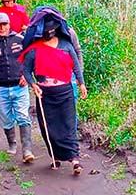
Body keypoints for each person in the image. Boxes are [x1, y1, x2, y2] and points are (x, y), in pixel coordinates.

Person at [20, 17, 88, 175]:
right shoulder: (34, 49)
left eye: (51, 30)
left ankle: (75, 159)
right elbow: (26, 70)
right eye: (46, 31)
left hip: (65, 91)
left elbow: (76, 66)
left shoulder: (66, 45)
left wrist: (82, 83)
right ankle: (55, 156)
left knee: (68, 124)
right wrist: (33, 85)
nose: (49, 33)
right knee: (48, 126)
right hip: (45, 94)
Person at [0, 12, 35, 162]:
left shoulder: (20, 40)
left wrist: (26, 76)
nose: (2, 28)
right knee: (5, 118)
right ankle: (12, 143)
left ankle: (27, 150)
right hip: (0, 89)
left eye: (4, 24)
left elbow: (30, 60)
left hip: (20, 86)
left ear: (9, 25)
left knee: (23, 116)